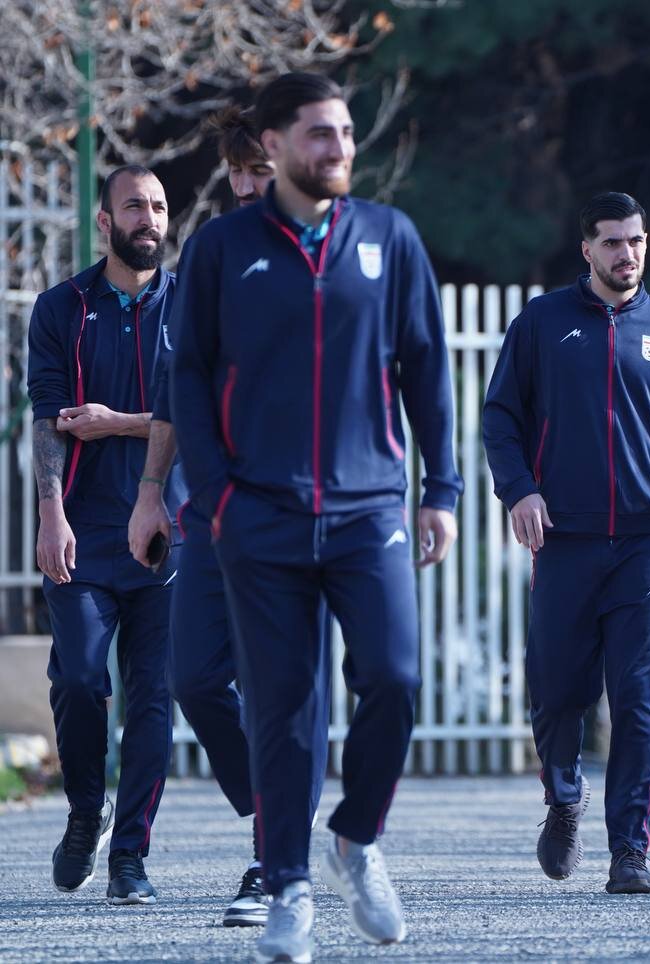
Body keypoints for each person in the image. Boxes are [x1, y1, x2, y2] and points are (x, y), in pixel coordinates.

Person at [171, 72, 461, 962]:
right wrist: (217, 496)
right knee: (286, 711)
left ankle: (355, 840)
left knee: (395, 678)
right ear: (274, 145)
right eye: (319, 134)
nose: (339, 148)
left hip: (370, 508)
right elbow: (188, 377)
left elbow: (426, 368)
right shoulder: (222, 248)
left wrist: (441, 490)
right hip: (259, 513)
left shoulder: (389, 237)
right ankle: (289, 888)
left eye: (345, 132)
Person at [126, 104, 331, 928]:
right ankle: (279, 812)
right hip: (212, 509)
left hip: (305, 509)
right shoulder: (210, 255)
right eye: (237, 171)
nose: (246, 185)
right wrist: (151, 490)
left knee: (286, 686)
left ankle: (275, 863)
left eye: (259, 170)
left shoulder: (336, 252)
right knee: (196, 677)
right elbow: (176, 387)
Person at [482, 191, 650, 895]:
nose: (626, 253)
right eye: (611, 241)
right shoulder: (543, 323)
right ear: (586, 249)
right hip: (565, 538)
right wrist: (520, 490)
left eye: (635, 240)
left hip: (645, 541)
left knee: (637, 698)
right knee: (557, 689)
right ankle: (563, 797)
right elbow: (501, 417)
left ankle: (630, 852)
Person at [27, 165, 184, 905]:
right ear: (105, 221)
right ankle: (86, 812)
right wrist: (49, 512)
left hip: (169, 532)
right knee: (81, 680)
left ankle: (130, 857)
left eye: (159, 206)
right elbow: (48, 415)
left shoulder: (192, 307)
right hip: (84, 531)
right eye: (134, 206)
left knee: (153, 696)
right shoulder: (62, 307)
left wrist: (116, 422)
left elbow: (204, 416)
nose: (149, 218)